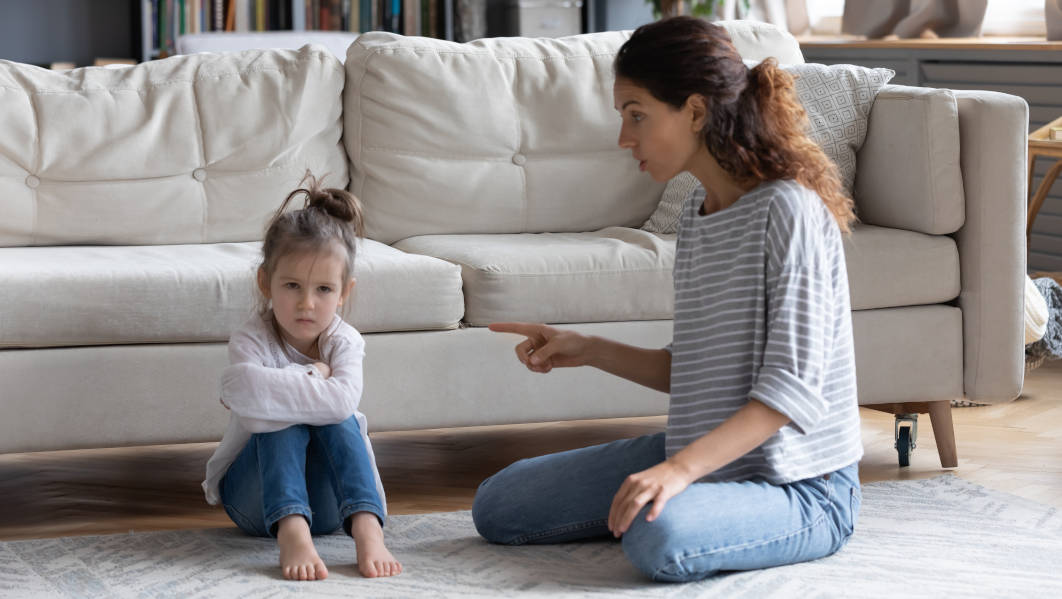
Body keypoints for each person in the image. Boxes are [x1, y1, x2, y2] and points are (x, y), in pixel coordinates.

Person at [472, 16, 863, 582]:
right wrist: (587, 347)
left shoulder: (789, 212)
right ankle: (695, 498)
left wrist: (677, 471)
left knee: (659, 534)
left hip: (804, 488)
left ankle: (696, 503)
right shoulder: (699, 217)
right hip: (716, 461)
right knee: (500, 504)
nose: (624, 138)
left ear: (697, 112)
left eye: (637, 115)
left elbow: (790, 395)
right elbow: (694, 372)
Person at [202, 173, 401, 581]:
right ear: (266, 283)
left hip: (331, 509)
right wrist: (315, 375)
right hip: (255, 505)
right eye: (292, 285)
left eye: (324, 289)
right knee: (282, 421)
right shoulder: (251, 339)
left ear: (344, 292)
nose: (306, 303)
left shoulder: (344, 341)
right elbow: (242, 395)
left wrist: (277, 389)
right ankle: (292, 530)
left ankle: (366, 528)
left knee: (341, 419)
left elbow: (342, 402)